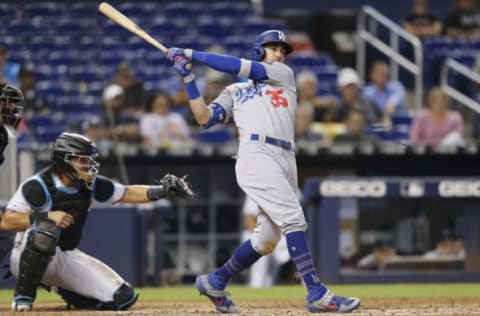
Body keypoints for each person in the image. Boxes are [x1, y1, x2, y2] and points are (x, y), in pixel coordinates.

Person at [166, 29, 360, 313]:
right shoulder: (235, 91)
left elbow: (237, 66)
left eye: (282, 49)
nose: (279, 53)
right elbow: (204, 119)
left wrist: (192, 55)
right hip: (256, 154)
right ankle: (316, 293)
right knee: (294, 219)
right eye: (273, 48)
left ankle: (216, 281)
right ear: (259, 49)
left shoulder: (283, 75)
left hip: (285, 157)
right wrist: (188, 79)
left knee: (267, 239)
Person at [1, 132, 194, 312]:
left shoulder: (90, 185)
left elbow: (126, 192)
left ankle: (68, 290)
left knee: (122, 298)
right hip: (26, 254)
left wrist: (161, 190)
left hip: (65, 254)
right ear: (64, 160)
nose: (88, 165)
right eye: (82, 160)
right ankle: (23, 296)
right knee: (46, 229)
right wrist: (46, 217)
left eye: (89, 160)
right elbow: (7, 222)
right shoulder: (37, 186)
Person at [241, 196, 291, 288]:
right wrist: (261, 238)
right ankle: (255, 294)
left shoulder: (289, 190)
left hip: (277, 237)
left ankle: (266, 296)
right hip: (258, 235)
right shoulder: (256, 189)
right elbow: (249, 218)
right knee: (259, 270)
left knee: (271, 273)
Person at [362, 61, 409, 128]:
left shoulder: (397, 86)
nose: (382, 76)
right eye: (379, 73)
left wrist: (392, 103)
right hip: (377, 126)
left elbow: (394, 102)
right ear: (372, 75)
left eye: (385, 74)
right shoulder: (367, 92)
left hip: (398, 125)